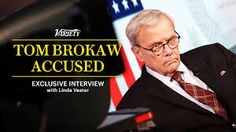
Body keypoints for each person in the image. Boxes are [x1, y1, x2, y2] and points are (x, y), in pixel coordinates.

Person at [117, 9, 236, 132]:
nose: (169, 51)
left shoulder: (214, 54)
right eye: (156, 46)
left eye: (171, 40)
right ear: (138, 53)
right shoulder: (132, 108)